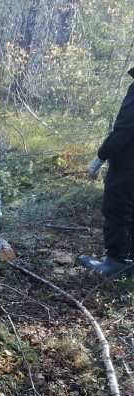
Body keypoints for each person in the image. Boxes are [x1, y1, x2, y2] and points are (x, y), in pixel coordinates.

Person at [80, 67, 134, 278]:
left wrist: (102, 155)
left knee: (117, 209)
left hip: (128, 164)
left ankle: (116, 263)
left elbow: (126, 128)